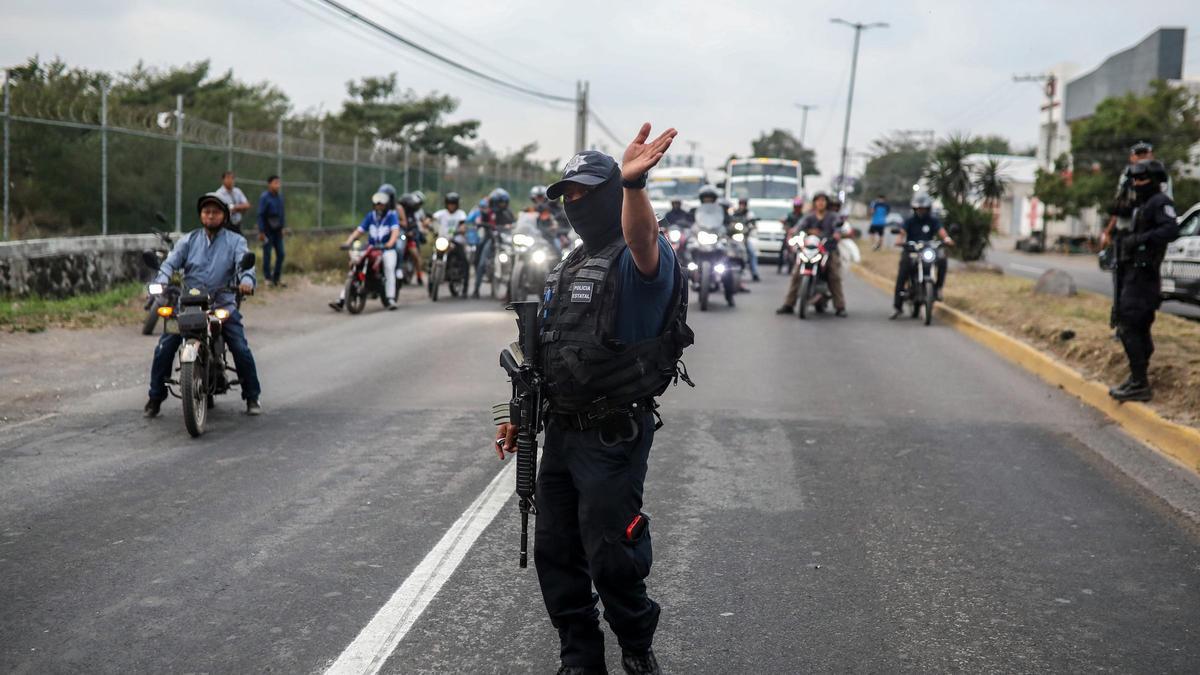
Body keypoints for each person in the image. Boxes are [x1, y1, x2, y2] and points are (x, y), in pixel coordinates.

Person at [495, 126, 693, 675]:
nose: (575, 203)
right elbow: (545, 353)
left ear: (612, 193)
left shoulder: (641, 263)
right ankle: (580, 661)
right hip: (559, 431)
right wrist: (517, 418)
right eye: (568, 196)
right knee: (556, 555)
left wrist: (634, 188)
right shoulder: (570, 263)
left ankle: (635, 644)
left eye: (586, 192)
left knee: (612, 555)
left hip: (612, 433)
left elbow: (642, 239)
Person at [144, 193, 261, 417]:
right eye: (206, 212)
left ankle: (252, 395)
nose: (210, 216)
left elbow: (245, 263)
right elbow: (170, 263)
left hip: (222, 304)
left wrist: (246, 281)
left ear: (224, 217)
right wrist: (161, 280)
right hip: (188, 306)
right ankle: (155, 397)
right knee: (164, 347)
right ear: (200, 215)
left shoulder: (236, 242)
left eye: (215, 212)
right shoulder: (188, 240)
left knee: (240, 348)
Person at [1108, 159, 1179, 402]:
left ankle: (1140, 383)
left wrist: (1141, 239)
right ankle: (1137, 377)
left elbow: (1171, 230)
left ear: (1155, 180)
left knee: (1128, 325)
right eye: (1134, 179)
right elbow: (1115, 209)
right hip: (1133, 274)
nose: (1137, 183)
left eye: (1141, 179)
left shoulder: (1160, 202)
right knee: (1134, 325)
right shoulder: (1141, 203)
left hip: (1144, 276)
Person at [777, 192, 846, 316]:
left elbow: (838, 230)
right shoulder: (808, 217)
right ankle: (789, 304)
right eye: (818, 200)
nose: (820, 203)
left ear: (826, 203)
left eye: (823, 200)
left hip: (827, 250)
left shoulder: (833, 217)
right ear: (814, 203)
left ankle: (840, 306)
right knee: (797, 273)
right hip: (809, 249)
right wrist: (793, 232)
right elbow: (798, 228)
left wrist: (836, 235)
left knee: (834, 274)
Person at [329, 192, 401, 312]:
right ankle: (342, 299)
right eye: (377, 205)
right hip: (371, 249)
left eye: (381, 205)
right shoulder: (370, 216)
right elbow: (359, 231)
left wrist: (389, 244)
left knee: (389, 268)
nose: (379, 207)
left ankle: (390, 298)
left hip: (385, 249)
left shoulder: (391, 216)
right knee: (355, 266)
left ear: (386, 205)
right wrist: (349, 242)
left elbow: (395, 231)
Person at [890, 193, 954, 319]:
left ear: (928, 209)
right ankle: (897, 307)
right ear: (915, 209)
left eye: (923, 209)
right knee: (903, 272)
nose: (921, 211)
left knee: (942, 260)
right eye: (919, 208)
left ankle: (938, 288)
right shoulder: (909, 221)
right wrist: (899, 241)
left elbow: (941, 231)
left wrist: (947, 239)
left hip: (927, 251)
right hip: (911, 251)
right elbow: (902, 233)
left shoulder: (933, 220)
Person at [473, 188, 515, 298]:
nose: (502, 205)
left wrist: (512, 226)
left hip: (505, 241)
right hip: (491, 240)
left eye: (504, 202)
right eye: (499, 202)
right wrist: (481, 223)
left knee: (514, 260)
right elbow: (480, 221)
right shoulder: (488, 212)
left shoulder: (508, 212)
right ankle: (476, 289)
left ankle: (510, 292)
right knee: (482, 262)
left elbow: (514, 224)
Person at [432, 191, 471, 284]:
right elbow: (432, 220)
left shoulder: (460, 214)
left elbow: (463, 225)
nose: (451, 206)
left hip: (456, 240)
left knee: (464, 260)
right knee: (434, 254)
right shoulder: (441, 214)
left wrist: (461, 229)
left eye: (453, 204)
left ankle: (465, 284)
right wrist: (429, 225)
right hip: (443, 239)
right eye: (449, 204)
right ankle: (432, 278)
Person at [257, 175, 286, 287]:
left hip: (277, 230)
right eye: (275, 183)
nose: (277, 185)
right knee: (267, 254)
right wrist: (261, 231)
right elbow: (260, 214)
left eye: (279, 183)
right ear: (269, 184)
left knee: (281, 254)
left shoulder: (280, 197)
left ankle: (277, 278)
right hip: (267, 230)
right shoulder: (264, 197)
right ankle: (267, 278)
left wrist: (282, 227)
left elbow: (282, 214)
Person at [731, 197, 760, 282]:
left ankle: (755, 273)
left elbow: (753, 224)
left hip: (744, 238)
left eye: (743, 204)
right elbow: (730, 223)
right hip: (734, 238)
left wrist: (751, 227)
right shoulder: (735, 213)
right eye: (741, 204)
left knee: (752, 253)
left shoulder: (749, 214)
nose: (742, 206)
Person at [779, 196, 805, 274]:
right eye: (796, 206)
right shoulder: (790, 215)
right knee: (783, 247)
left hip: (800, 236)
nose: (797, 208)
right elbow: (784, 221)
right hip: (790, 235)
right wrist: (787, 229)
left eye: (799, 207)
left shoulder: (803, 216)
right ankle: (780, 265)